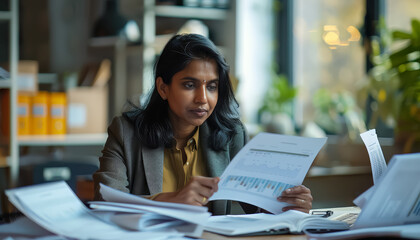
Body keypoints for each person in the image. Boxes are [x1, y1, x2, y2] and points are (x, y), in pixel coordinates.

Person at [93, 33, 313, 215]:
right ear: (163, 88)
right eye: (190, 85)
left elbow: (257, 207)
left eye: (212, 87)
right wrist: (170, 200)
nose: (203, 99)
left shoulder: (231, 134)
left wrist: (289, 204)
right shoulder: (125, 132)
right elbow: (105, 202)